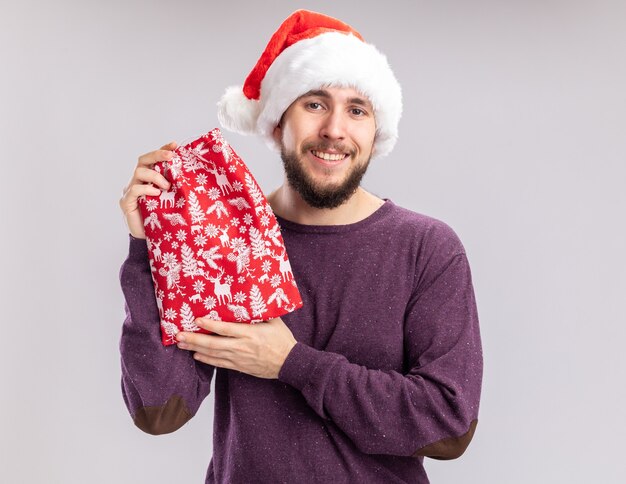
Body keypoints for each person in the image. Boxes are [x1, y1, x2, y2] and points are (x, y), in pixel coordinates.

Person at [118, 10, 483, 484]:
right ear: (277, 123)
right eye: (314, 104)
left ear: (376, 134)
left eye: (357, 109)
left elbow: (448, 427)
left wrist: (292, 365)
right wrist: (151, 248)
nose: (334, 129)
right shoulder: (224, 236)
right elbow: (159, 410)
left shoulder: (427, 248)